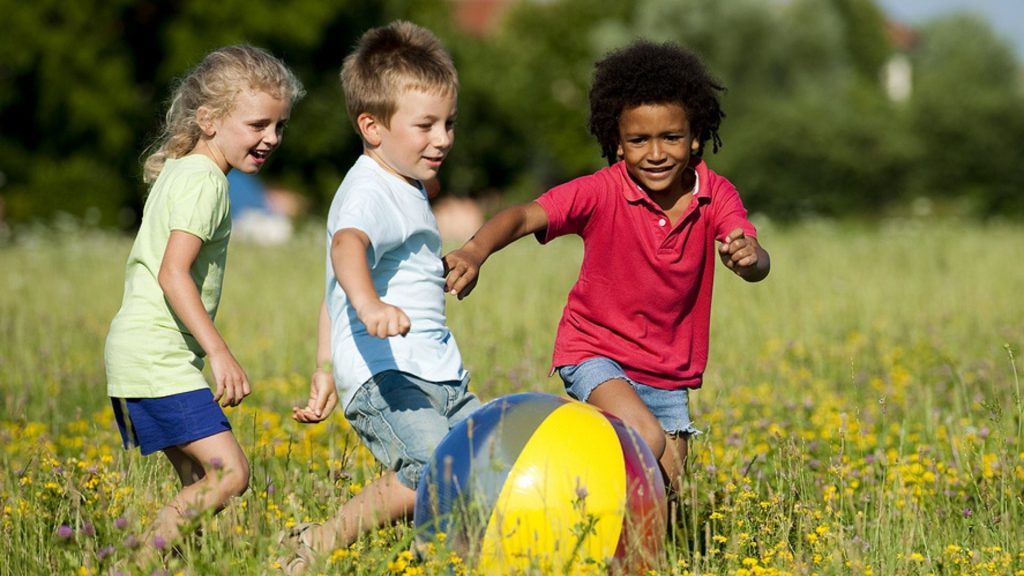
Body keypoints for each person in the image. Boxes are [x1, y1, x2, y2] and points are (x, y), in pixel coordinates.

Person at [443, 41, 770, 495]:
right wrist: (475, 251)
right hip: (595, 351)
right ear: (618, 145)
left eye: (671, 137)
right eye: (639, 140)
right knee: (646, 439)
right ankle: (564, 475)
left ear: (695, 137)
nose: (655, 153)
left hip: (669, 372)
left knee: (669, 493)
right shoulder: (600, 192)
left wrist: (749, 258)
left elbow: (754, 255)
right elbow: (523, 215)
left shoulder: (716, 195)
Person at [282, 21, 479, 573]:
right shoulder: (369, 189)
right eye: (426, 125)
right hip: (390, 376)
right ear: (372, 126)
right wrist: (370, 307)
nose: (442, 138)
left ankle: (463, 554)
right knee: (435, 469)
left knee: (484, 457)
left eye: (448, 123)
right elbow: (346, 250)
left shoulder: (405, 184)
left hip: (437, 373)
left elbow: (333, 285)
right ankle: (326, 542)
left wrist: (323, 366)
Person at [103, 45, 303, 563]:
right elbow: (174, 273)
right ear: (209, 119)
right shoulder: (205, 182)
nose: (271, 139)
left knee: (197, 483)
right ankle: (136, 568)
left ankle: (172, 566)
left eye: (279, 126)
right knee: (230, 473)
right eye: (258, 124)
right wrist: (219, 352)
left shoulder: (184, 170)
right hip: (157, 356)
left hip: (141, 352)